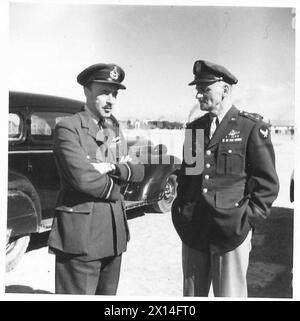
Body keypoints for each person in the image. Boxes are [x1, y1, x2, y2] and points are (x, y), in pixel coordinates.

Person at [172, 60, 279, 297]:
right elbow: (189, 176)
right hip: (194, 232)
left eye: (204, 88)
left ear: (225, 90)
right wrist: (181, 212)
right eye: (197, 88)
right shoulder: (195, 129)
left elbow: (267, 185)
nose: (198, 94)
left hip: (230, 234)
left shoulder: (250, 127)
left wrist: (244, 221)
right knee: (191, 297)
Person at [48, 63, 144, 295]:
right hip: (81, 238)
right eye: (103, 92)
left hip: (114, 235)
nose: (111, 100)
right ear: (87, 91)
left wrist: (109, 166)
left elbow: (138, 171)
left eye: (114, 94)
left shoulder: (113, 128)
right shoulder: (69, 128)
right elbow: (83, 179)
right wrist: (119, 178)